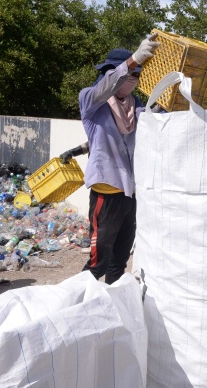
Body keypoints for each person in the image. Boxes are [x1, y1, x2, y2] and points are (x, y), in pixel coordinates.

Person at [79, 34, 160, 284]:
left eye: (136, 75)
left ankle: (113, 308)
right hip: (106, 190)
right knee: (98, 260)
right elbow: (106, 88)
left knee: (120, 260)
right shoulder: (92, 101)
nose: (132, 80)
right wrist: (132, 60)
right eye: (128, 74)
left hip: (129, 193)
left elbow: (155, 116)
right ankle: (77, 306)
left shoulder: (134, 107)